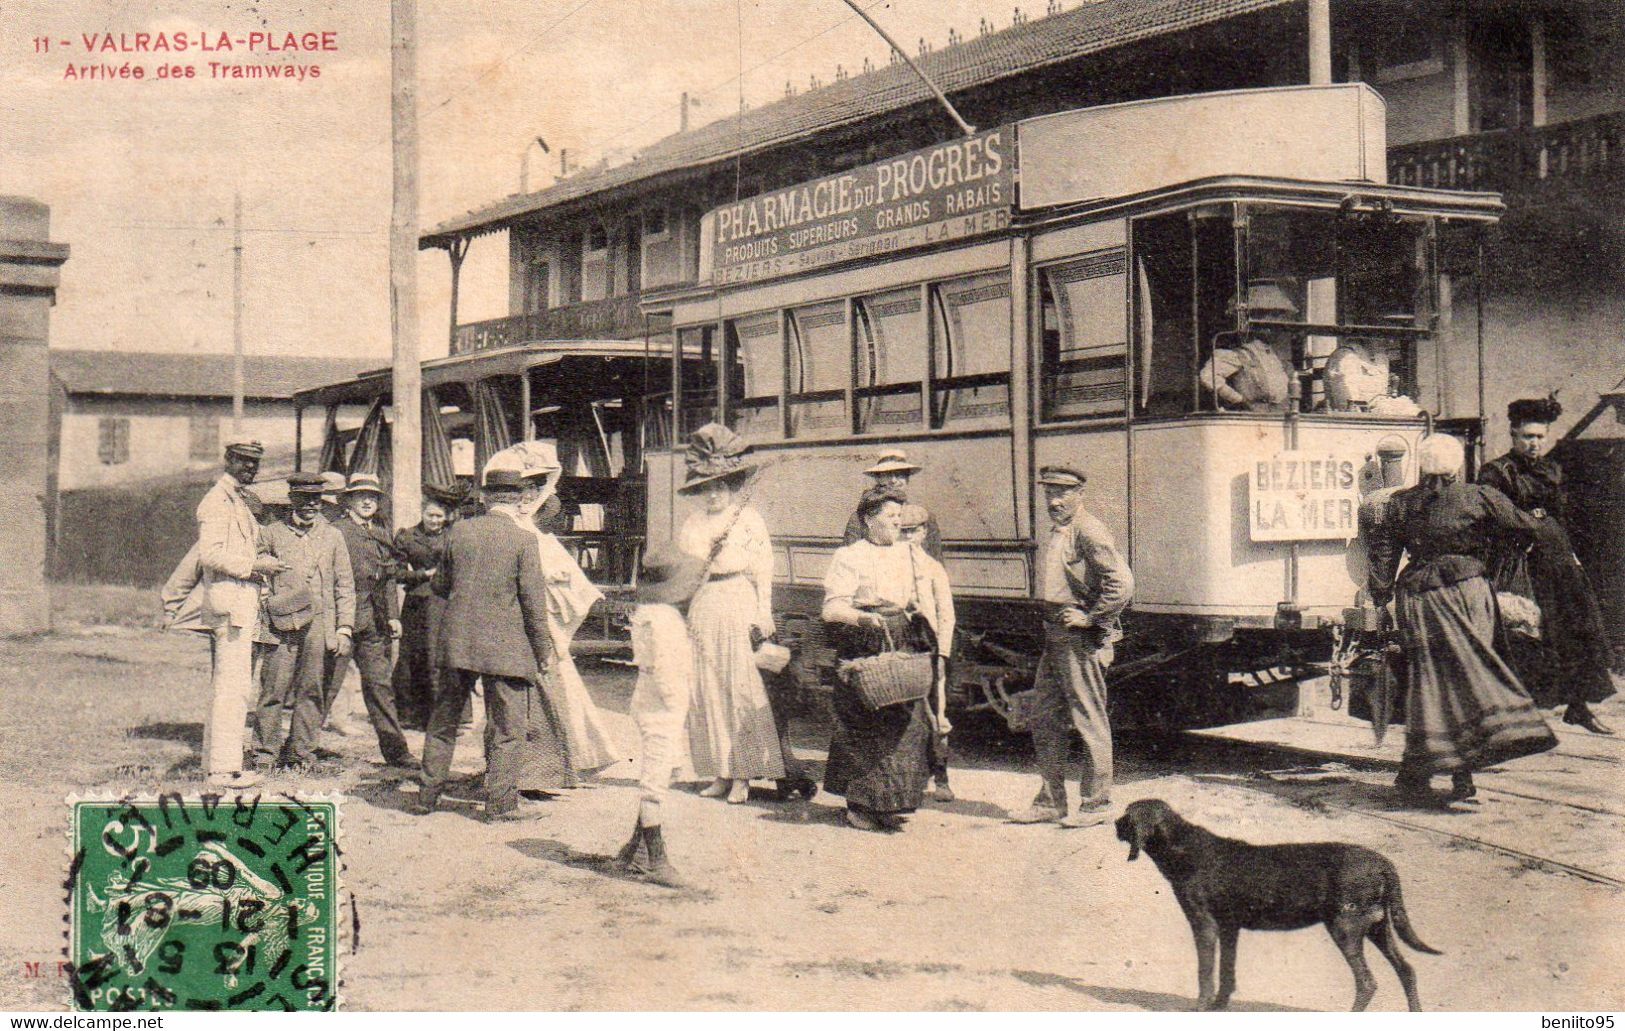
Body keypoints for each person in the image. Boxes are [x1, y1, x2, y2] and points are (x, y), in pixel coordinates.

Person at [1367, 433, 1559, 802]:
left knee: (1429, 682)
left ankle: (1421, 771)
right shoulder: (1480, 496)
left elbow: (1384, 555)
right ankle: (1458, 773)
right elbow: (1524, 528)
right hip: (1468, 591)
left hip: (1419, 599)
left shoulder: (1402, 503)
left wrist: (1380, 598)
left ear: (1422, 467)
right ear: (1457, 467)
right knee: (1471, 676)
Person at [416, 468, 557, 822]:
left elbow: (439, 586)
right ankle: (501, 805)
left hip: (458, 643)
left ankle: (427, 796)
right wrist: (543, 652)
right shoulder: (524, 540)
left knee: (444, 720)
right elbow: (533, 605)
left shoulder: (459, 531)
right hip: (505, 648)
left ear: (485, 497)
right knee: (509, 728)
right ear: (520, 499)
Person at [1479, 397, 1617, 734]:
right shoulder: (1497, 472)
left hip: (1557, 559)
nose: (1534, 443)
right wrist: (1529, 522)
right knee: (1526, 634)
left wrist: (1570, 552)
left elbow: (1561, 515)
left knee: (1575, 627)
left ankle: (1579, 706)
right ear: (1513, 435)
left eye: (1540, 437)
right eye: (1527, 436)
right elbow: (1494, 517)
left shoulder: (1552, 470)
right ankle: (1516, 715)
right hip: (1520, 562)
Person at [1011, 466, 1134, 828]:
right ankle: (1050, 801)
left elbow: (1121, 584)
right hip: (1055, 632)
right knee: (1045, 716)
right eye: (1049, 493)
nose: (1055, 500)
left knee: (1088, 717)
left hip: (1078, 637)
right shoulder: (1060, 530)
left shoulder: (1089, 531)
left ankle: (1097, 803)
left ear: (1080, 494)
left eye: (1063, 493)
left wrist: (1093, 619)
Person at [677, 423, 785, 803]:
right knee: (706, 686)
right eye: (706, 488)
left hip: (739, 599)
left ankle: (744, 775)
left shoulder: (748, 520)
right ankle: (720, 771)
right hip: (706, 603)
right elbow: (686, 573)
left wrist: (764, 611)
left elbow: (764, 569)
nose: (713, 495)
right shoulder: (692, 525)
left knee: (740, 686)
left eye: (720, 487)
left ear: (732, 486)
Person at [821, 487, 939, 831]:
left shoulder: (909, 553)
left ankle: (890, 802)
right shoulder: (850, 556)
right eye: (890, 517)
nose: (897, 523)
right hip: (864, 640)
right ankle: (860, 804)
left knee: (905, 723)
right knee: (864, 723)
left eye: (900, 517)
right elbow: (832, 608)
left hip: (900, 635)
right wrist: (861, 618)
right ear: (869, 520)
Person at [195, 440, 288, 789]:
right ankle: (223, 770)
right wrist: (255, 566)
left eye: (254, 463)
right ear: (228, 460)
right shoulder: (218, 501)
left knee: (230, 688)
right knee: (232, 690)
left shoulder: (237, 499)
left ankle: (218, 765)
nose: (250, 468)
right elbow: (211, 555)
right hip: (230, 604)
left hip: (236, 603)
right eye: (243, 461)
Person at [252, 473, 356, 770]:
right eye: (303, 499)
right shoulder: (272, 533)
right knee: (274, 689)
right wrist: (266, 603)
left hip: (320, 624)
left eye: (315, 500)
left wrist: (344, 628)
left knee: (312, 690)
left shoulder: (333, 536)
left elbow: (344, 585)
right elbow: (255, 576)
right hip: (280, 624)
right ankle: (265, 752)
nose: (310, 505)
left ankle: (301, 753)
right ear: (292, 500)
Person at [614, 548, 705, 888]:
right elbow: (667, 673)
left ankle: (632, 851)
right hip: (661, 707)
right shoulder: (664, 620)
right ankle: (657, 860)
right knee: (655, 783)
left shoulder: (649, 613)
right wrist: (682, 703)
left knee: (661, 773)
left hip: (650, 701)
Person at [331, 472, 415, 771]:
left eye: (373, 497)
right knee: (326, 685)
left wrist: (393, 614)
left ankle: (397, 752)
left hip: (375, 623)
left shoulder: (382, 531)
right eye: (361, 496)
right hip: (342, 620)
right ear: (349, 500)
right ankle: (298, 750)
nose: (368, 501)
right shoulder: (336, 531)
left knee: (380, 686)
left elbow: (389, 577)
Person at [898, 503, 956, 803]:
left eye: (913, 531)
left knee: (937, 713)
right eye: (902, 531)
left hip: (930, 649)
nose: (907, 537)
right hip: (900, 648)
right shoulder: (888, 567)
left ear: (923, 533)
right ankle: (910, 779)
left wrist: (943, 653)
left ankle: (942, 777)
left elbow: (947, 614)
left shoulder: (933, 569)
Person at [392, 485, 460, 731]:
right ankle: (410, 714)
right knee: (412, 657)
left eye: (440, 516)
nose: (435, 520)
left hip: (444, 603)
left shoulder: (454, 535)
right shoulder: (407, 536)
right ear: (422, 513)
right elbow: (396, 572)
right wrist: (423, 574)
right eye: (430, 515)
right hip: (416, 603)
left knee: (437, 656)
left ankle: (441, 717)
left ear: (446, 517)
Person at [1196, 281, 1296, 412]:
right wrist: (1239, 400)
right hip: (1251, 422)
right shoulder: (1238, 355)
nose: (1274, 327)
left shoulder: (1276, 357)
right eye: (1268, 318)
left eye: (1277, 318)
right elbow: (1208, 376)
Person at [841, 450, 943, 560]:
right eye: (888, 474)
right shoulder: (860, 519)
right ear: (878, 478)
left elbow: (936, 560)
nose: (894, 480)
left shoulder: (925, 517)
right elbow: (849, 560)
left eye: (900, 475)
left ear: (907, 479)